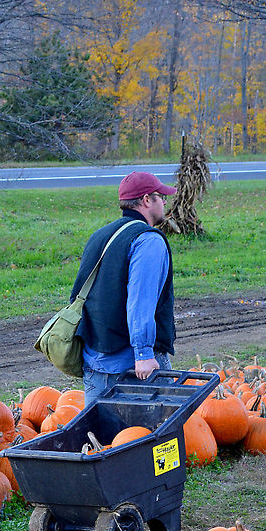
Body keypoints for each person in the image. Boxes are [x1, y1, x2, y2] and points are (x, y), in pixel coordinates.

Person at [70, 171, 177, 406]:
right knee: (151, 438)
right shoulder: (148, 240)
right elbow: (141, 302)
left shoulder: (100, 236)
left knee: (101, 440)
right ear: (147, 199)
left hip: (95, 363)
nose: (165, 202)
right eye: (161, 196)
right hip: (133, 368)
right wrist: (144, 355)